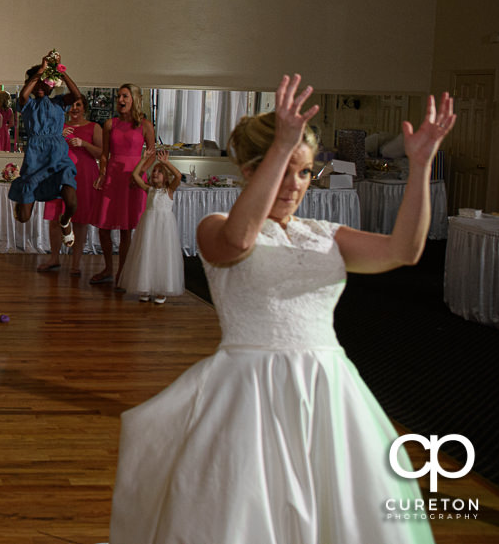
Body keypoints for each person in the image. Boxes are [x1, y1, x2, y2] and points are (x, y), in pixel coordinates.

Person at [110, 75, 453, 544]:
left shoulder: (325, 234)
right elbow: (239, 241)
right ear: (252, 170)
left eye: (305, 171)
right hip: (247, 392)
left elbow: (404, 250)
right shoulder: (215, 226)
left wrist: (420, 167)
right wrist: (282, 145)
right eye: (284, 168)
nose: (295, 185)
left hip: (328, 391)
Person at [9, 54, 81, 248]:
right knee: (23, 218)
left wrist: (61, 72)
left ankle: (65, 221)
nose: (41, 87)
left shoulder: (58, 103)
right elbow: (24, 95)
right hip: (36, 157)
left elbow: (76, 95)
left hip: (58, 155)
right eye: (37, 84)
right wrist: (40, 72)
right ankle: (22, 200)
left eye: (45, 83)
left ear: (51, 84)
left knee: (72, 201)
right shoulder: (28, 104)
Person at [91, 83, 155, 285]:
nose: (120, 100)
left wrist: (140, 174)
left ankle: (123, 272)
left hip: (133, 178)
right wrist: (102, 172)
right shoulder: (110, 124)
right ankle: (108, 268)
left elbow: (151, 155)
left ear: (134, 99)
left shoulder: (145, 125)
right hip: (112, 177)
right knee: (103, 227)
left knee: (126, 228)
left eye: (125, 96)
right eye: (119, 96)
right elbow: (104, 154)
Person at [37, 95, 103, 276]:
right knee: (56, 219)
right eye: (71, 105)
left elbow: (101, 153)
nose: (74, 108)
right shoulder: (58, 126)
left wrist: (84, 143)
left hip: (84, 176)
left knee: (81, 221)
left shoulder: (94, 127)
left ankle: (76, 263)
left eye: (78, 105)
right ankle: (54, 258)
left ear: (85, 107)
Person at [118, 150, 183, 303]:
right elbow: (135, 175)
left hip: (163, 228)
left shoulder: (169, 190)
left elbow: (178, 176)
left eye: (160, 172)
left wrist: (166, 163)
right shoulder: (150, 189)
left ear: (166, 177)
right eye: (154, 171)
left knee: (162, 255)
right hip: (149, 227)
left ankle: (161, 289)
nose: (155, 174)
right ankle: (145, 286)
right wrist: (144, 159)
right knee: (148, 254)